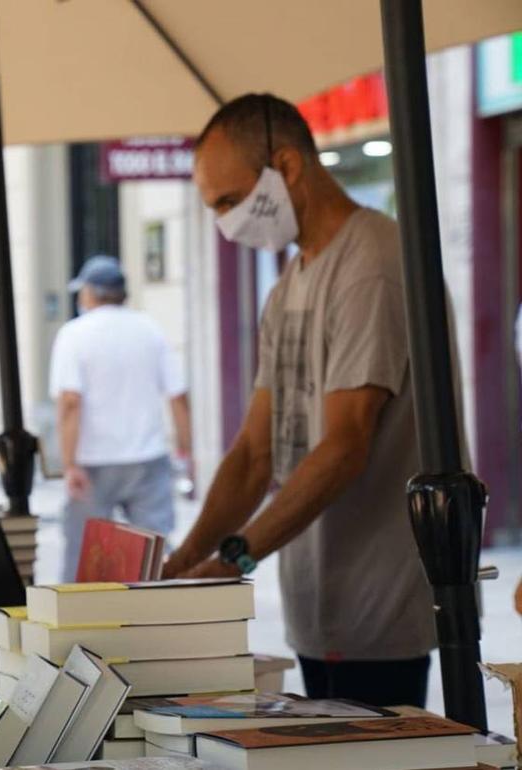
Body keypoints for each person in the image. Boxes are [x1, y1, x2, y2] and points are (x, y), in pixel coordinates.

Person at [164, 93, 450, 708]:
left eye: (230, 201)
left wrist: (237, 554)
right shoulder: (289, 285)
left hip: (379, 605)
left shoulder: (372, 263)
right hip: (316, 603)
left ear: (287, 167)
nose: (225, 221)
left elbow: (346, 446)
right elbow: (252, 455)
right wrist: (187, 559)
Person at [49, 255, 191, 581]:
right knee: (153, 558)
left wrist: (69, 464)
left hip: (93, 463)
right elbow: (178, 397)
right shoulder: (150, 330)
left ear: (89, 293)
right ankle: (153, 623)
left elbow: (70, 403)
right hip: (148, 459)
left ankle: (75, 624)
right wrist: (185, 449)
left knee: (83, 559)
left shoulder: (74, 334)